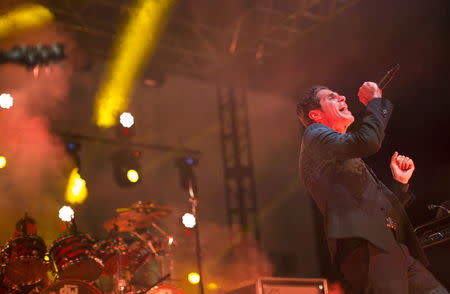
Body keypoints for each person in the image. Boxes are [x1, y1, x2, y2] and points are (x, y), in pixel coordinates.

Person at [297, 82, 448, 294]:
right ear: (315, 116)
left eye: (340, 95)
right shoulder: (314, 134)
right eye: (331, 97)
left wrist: (399, 182)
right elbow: (368, 141)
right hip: (367, 248)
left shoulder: (339, 154)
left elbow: (377, 207)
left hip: (394, 249)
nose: (342, 98)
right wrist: (376, 102)